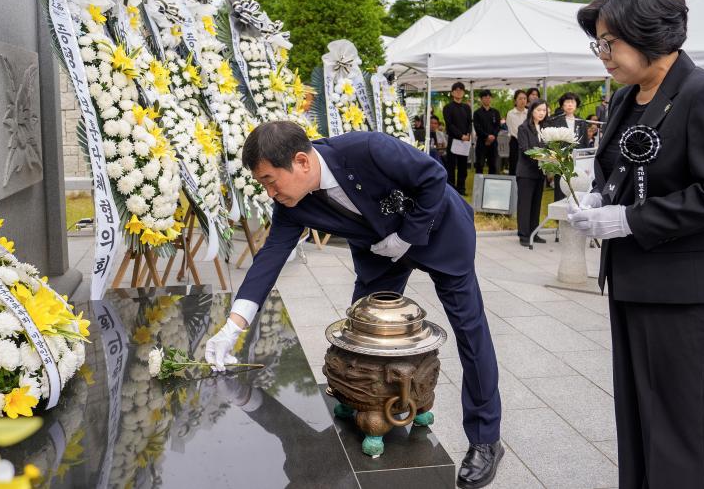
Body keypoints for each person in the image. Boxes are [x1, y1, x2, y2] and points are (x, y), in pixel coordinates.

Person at [205, 122, 504, 488]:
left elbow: (433, 176)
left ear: (301, 161)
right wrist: (232, 326)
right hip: (380, 252)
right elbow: (269, 259)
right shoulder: (292, 205)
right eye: (262, 184)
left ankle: (486, 440)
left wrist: (406, 236)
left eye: (270, 180)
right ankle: (362, 402)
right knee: (357, 338)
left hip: (440, 236)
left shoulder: (368, 149)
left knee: (470, 332)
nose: (269, 193)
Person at [569, 0, 704, 489]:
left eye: (609, 41)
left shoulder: (703, 92)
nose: (603, 53)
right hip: (633, 280)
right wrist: (600, 198)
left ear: (646, 32)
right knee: (639, 414)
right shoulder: (626, 99)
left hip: (686, 293)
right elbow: (618, 170)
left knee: (682, 423)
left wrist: (629, 220)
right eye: (598, 42)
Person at [515, 99, 548, 246]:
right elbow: (525, 149)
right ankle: (523, 235)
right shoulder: (523, 128)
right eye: (538, 110)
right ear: (532, 111)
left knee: (536, 204)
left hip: (540, 172)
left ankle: (534, 233)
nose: (542, 113)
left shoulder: (545, 128)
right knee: (525, 204)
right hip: (526, 172)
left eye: (544, 110)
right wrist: (543, 157)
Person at [546, 91, 590, 201]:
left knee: (577, 187)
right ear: (562, 105)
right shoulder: (555, 121)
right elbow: (552, 142)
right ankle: (559, 216)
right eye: (567, 102)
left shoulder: (582, 122)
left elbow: (585, 143)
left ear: (576, 105)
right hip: (561, 160)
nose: (570, 105)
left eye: (572, 102)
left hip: (577, 161)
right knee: (561, 187)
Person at [443, 82, 472, 194]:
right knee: (451, 165)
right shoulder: (447, 107)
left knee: (463, 166)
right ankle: (451, 189)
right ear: (452, 92)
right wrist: (461, 135)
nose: (459, 92)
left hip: (465, 141)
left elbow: (470, 122)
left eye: (461, 90)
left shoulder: (467, 108)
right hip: (453, 140)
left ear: (464, 92)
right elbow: (449, 125)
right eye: (456, 90)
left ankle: (461, 188)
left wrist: (468, 134)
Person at [472, 89, 500, 174]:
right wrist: (487, 137)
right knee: (479, 165)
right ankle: (478, 186)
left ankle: (492, 185)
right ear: (481, 99)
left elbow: (498, 126)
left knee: (493, 164)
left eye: (489, 97)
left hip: (493, 142)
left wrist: (493, 136)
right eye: (485, 97)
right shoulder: (477, 113)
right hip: (481, 142)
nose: (487, 99)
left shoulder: (495, 112)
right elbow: (477, 127)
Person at [505, 90, 528, 175]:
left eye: (525, 98)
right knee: (514, 165)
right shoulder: (511, 114)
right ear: (515, 101)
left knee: (526, 165)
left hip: (528, 142)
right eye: (520, 99)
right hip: (515, 142)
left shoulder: (529, 113)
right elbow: (512, 129)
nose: (523, 101)